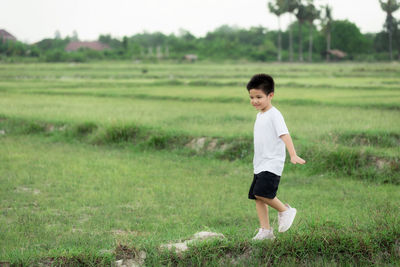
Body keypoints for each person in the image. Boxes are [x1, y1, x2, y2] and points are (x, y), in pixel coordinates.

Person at [247, 74, 306, 241]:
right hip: (259, 163)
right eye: (252, 97)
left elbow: (284, 134)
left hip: (272, 163)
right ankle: (265, 231)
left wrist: (293, 154)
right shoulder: (260, 115)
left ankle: (285, 210)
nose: (255, 101)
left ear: (270, 95)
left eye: (259, 97)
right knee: (257, 197)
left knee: (263, 193)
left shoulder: (274, 114)